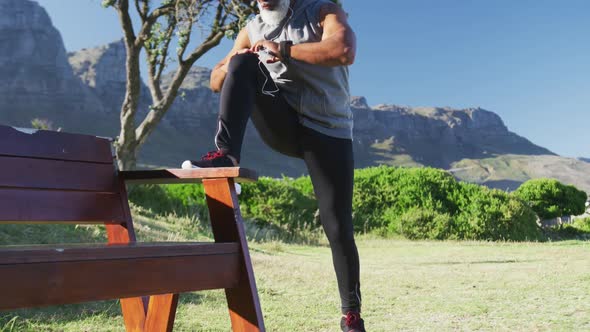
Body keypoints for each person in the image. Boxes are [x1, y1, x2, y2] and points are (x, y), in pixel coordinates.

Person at [183, 0, 364, 330]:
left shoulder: (322, 10)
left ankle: (351, 315)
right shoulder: (252, 27)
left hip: (329, 131)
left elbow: (343, 50)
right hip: (285, 126)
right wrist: (240, 59)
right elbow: (215, 80)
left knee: (337, 227)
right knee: (243, 64)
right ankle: (226, 155)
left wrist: (283, 50)